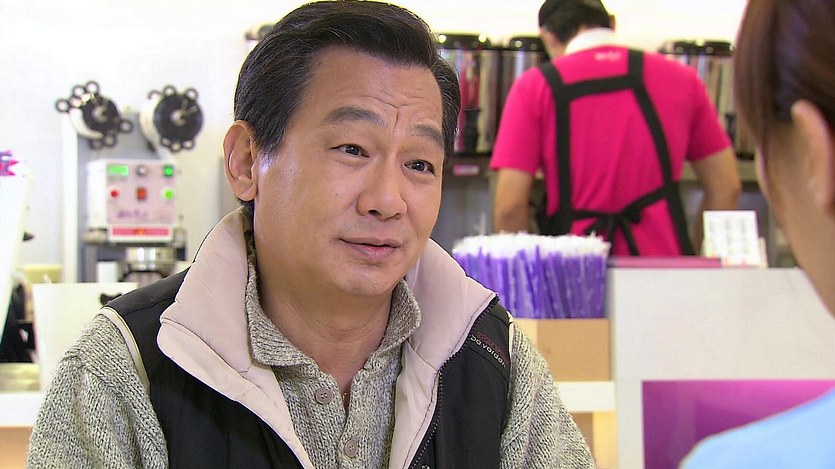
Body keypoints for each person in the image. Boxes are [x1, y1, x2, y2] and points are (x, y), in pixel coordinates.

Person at [26, 1, 596, 468]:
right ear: (246, 162)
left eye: (420, 164)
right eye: (352, 149)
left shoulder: (490, 356)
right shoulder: (129, 367)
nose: (387, 200)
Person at [681, 0, 835, 466]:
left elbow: (510, 200)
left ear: (815, 155)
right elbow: (725, 185)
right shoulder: (683, 83)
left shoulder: (740, 462)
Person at [490, 0, 741, 256]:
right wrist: (700, 260)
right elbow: (726, 186)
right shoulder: (682, 79)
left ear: (548, 37)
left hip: (574, 266)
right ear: (611, 23)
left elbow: (509, 207)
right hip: (665, 264)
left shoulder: (534, 87)